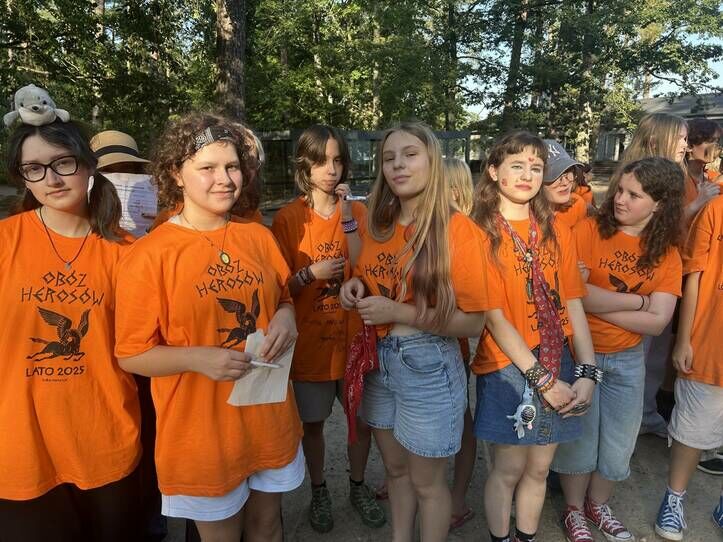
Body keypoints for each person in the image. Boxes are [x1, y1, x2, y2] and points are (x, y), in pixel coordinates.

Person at [114, 112, 303, 542]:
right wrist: (198, 359)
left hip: (269, 418)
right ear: (175, 174)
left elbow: (284, 298)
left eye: (232, 166)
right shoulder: (150, 255)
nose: (224, 179)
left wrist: (287, 316)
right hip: (202, 435)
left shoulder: (257, 237)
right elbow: (131, 353)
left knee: (268, 527)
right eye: (208, 168)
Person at [0, 90, 142, 541]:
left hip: (105, 443)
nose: (52, 178)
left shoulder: (126, 251)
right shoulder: (5, 242)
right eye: (34, 168)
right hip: (22, 450)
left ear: (87, 165)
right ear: (23, 177)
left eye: (63, 162)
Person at [340, 122, 487, 542]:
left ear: (432, 161)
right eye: (389, 158)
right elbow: (369, 275)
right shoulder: (379, 223)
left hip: (428, 364)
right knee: (395, 470)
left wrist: (398, 311)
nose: (398, 165)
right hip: (378, 360)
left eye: (410, 155)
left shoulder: (457, 229)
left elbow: (473, 322)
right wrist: (355, 286)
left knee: (427, 483)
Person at [470, 131, 596, 542]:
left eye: (536, 168)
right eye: (517, 165)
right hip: (508, 365)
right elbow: (492, 316)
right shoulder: (479, 232)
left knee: (540, 468)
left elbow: (572, 302)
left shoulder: (557, 229)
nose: (527, 175)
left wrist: (587, 372)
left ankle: (525, 536)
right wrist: (543, 381)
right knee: (508, 469)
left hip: (558, 357)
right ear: (494, 171)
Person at [552, 157, 684, 542]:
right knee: (580, 438)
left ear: (660, 204)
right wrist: (640, 302)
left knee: (619, 442)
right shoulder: (587, 230)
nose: (620, 199)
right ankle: (574, 510)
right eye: (620, 190)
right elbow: (574, 295)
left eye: (633, 195)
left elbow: (658, 323)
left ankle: (598, 504)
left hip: (628, 360)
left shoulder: (667, 254)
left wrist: (596, 301)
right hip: (581, 352)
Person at [270, 125, 385, 533]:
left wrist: (348, 217)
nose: (331, 170)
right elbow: (276, 289)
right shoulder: (288, 219)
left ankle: (358, 485)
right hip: (310, 347)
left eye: (337, 160)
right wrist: (310, 274)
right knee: (313, 424)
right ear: (305, 164)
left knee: (361, 422)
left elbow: (366, 267)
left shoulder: (358, 212)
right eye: (321, 161)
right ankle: (319, 489)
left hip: (354, 341)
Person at [90, 128, 165, 541]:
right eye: (111, 173)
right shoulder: (83, 236)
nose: (122, 181)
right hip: (101, 362)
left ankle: (152, 509)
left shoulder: (161, 228)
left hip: (150, 356)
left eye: (130, 172)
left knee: (151, 432)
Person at [654, 191, 723, 540]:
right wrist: (684, 339)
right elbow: (693, 274)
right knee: (692, 429)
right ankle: (673, 498)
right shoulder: (715, 209)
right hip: (710, 342)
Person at [619, 113, 687, 439]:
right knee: (638, 354)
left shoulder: (682, 176)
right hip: (638, 278)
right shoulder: (631, 180)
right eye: (681, 138)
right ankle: (632, 419)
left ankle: (645, 413)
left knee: (655, 356)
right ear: (656, 139)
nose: (686, 145)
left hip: (665, 278)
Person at [444, 157, 477, 530]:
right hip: (436, 340)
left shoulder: (465, 231)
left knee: (461, 419)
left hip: (453, 342)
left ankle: (456, 498)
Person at [541, 140, 588, 229]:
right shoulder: (524, 215)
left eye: (569, 171)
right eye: (555, 174)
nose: (565, 183)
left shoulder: (577, 204)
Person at [683, 118, 721, 223]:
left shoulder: (714, 177)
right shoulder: (678, 180)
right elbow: (668, 223)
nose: (716, 146)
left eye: (717, 141)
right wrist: (699, 201)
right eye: (710, 141)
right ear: (689, 146)